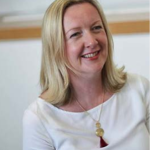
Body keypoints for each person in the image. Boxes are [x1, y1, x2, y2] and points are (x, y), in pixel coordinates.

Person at [23, 0, 150, 149]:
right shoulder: (39, 118)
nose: (91, 41)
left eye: (96, 28)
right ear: (55, 47)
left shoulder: (139, 88)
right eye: (75, 34)